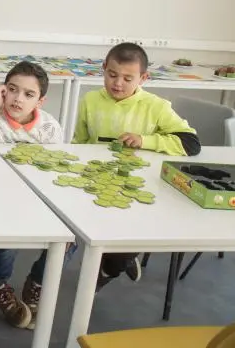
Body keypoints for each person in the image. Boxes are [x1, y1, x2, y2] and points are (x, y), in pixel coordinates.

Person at [73, 42, 201, 290]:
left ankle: (114, 266)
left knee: (123, 240)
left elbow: (191, 143)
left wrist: (145, 140)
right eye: (112, 75)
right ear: (104, 69)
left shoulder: (157, 106)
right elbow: (79, 141)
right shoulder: (90, 100)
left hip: (139, 185)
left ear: (143, 78)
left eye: (127, 78)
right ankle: (123, 257)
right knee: (97, 231)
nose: (117, 83)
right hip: (98, 183)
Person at [0, 61, 67, 329]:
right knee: (9, 230)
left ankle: (37, 281)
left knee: (70, 237)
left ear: (40, 101)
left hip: (36, 199)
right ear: (2, 91)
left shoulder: (49, 128)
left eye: (28, 94)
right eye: (12, 90)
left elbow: (54, 169)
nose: (18, 99)